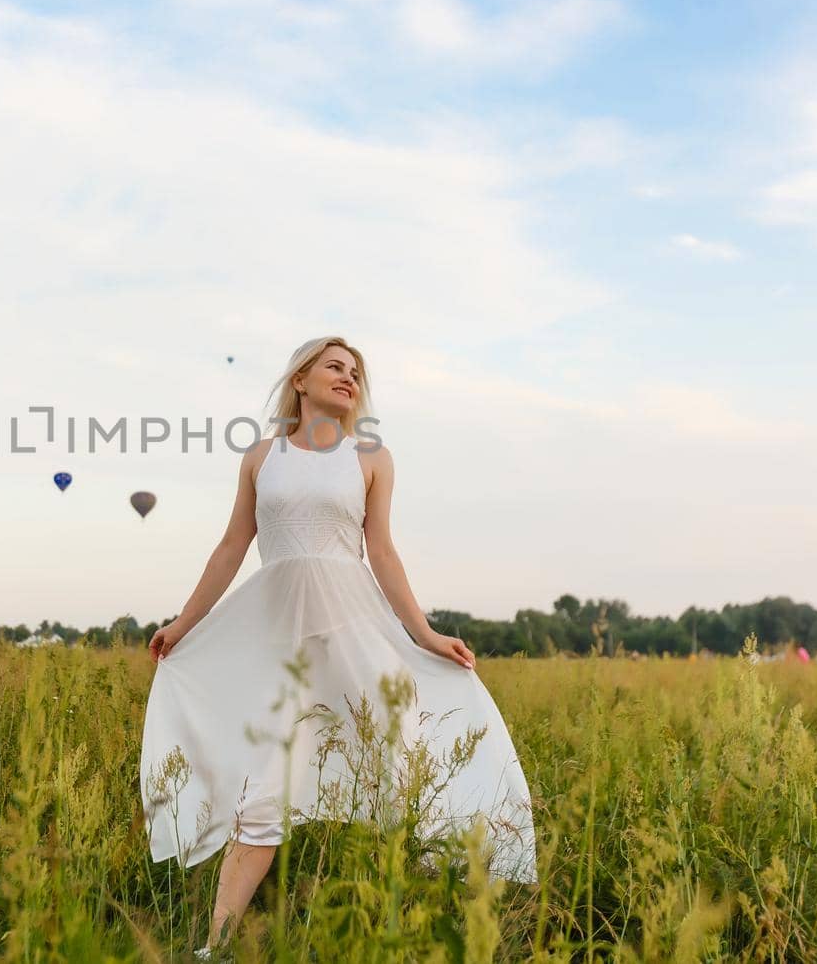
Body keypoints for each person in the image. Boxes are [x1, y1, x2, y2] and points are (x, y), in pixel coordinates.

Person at [138, 336, 537, 957]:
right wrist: (185, 622)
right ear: (301, 378)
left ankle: (420, 922)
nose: (349, 378)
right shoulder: (261, 455)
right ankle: (212, 948)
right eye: (335, 366)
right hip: (276, 645)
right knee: (261, 794)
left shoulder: (370, 456)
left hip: (356, 636)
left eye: (356, 372)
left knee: (396, 771)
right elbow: (232, 544)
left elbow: (380, 550)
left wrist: (424, 634)